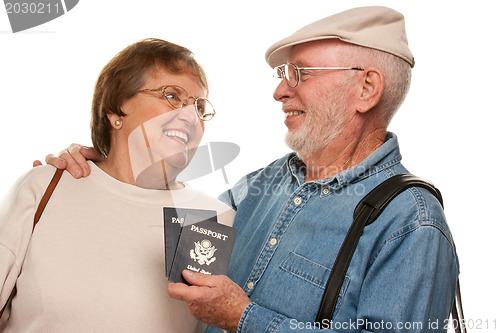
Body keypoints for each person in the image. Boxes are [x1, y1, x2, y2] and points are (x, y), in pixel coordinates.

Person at [40, 6, 459, 333]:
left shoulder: (412, 223)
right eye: (281, 74)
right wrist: (107, 168)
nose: (279, 91)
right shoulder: (260, 186)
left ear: (366, 89)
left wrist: (244, 317)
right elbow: (160, 232)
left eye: (299, 74)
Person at [0, 38, 235, 332]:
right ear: (116, 109)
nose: (191, 116)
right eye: (172, 96)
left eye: (199, 108)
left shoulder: (213, 219)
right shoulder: (46, 187)